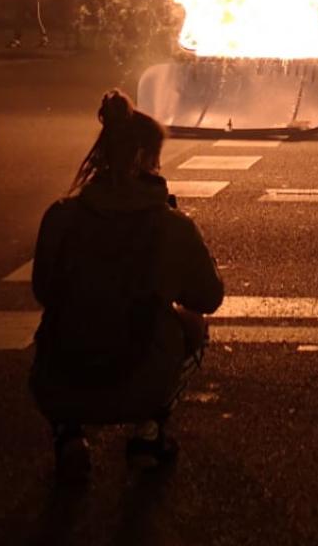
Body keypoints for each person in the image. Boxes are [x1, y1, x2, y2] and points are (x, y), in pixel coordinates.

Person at [30, 90, 225, 482]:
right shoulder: (172, 227)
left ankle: (68, 434)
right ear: (147, 160)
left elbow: (43, 291)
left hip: (58, 380)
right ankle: (148, 434)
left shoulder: (61, 217)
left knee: (58, 322)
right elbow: (208, 297)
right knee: (192, 324)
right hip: (140, 381)